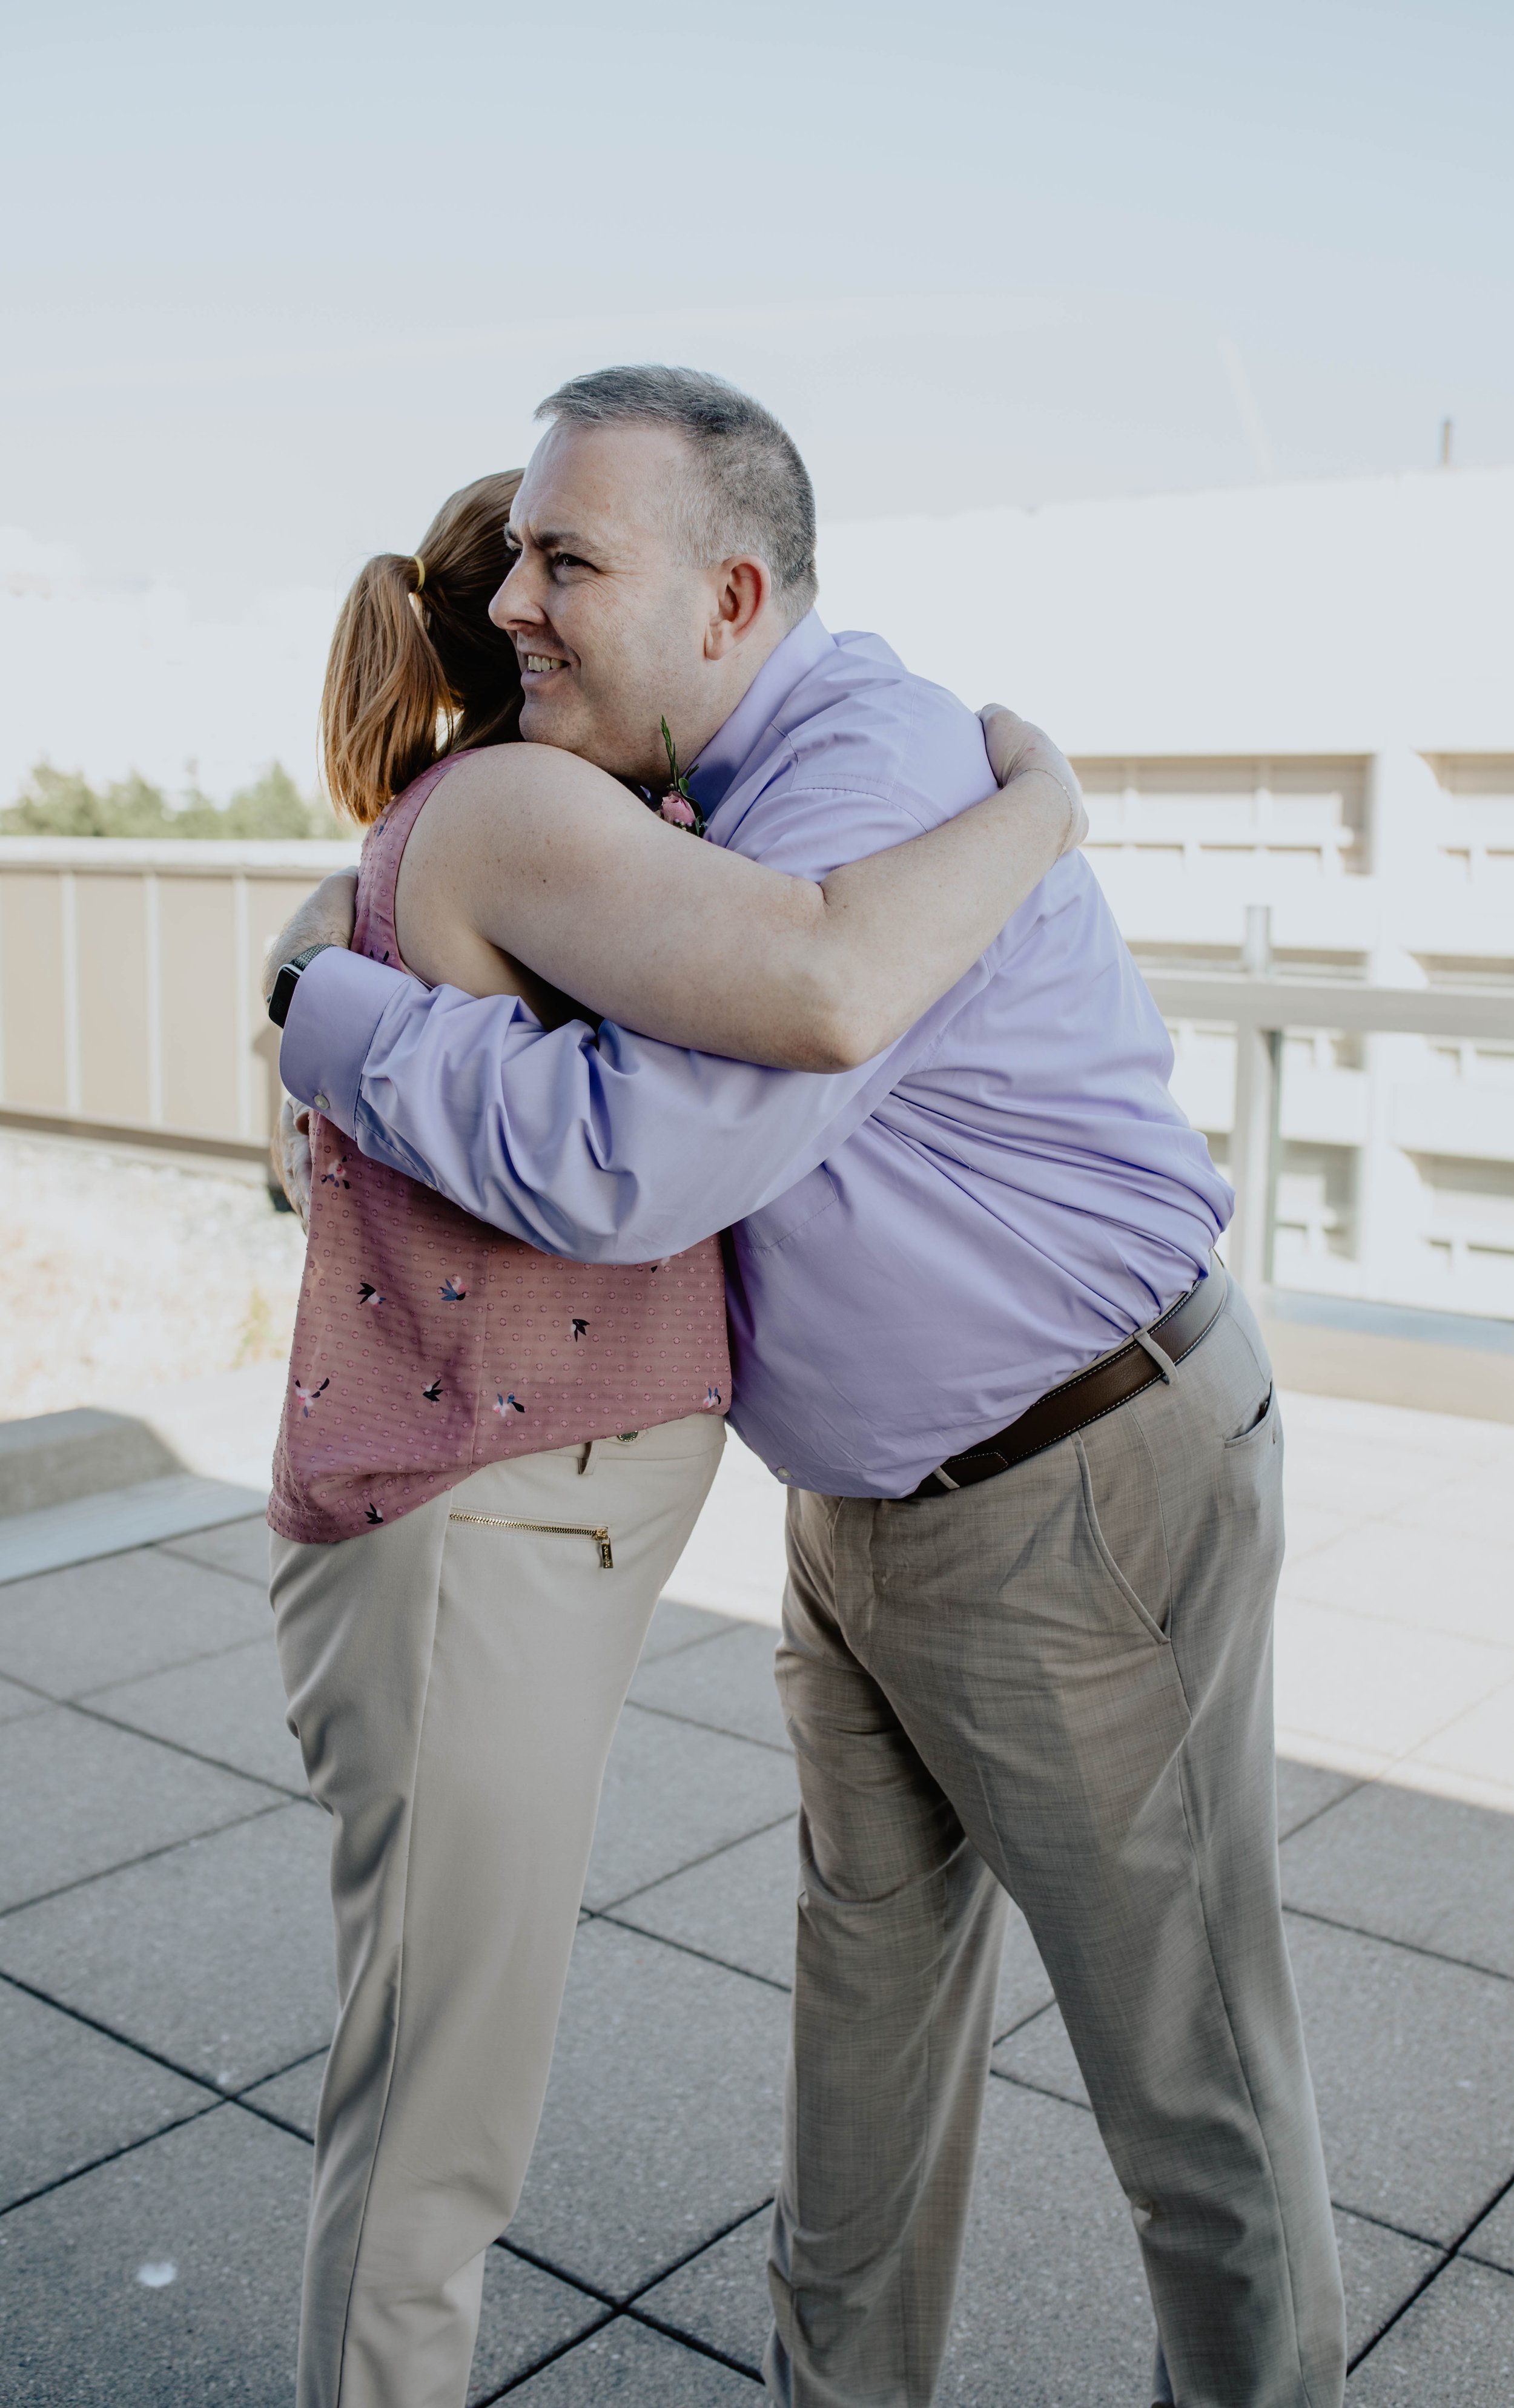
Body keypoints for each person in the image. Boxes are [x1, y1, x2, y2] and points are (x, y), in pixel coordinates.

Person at [271, 368, 1345, 2408]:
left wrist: (326, 1009)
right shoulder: (673, 803)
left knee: (1186, 2080)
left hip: (1078, 1483)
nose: (515, 601)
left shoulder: (861, 765)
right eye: (516, 565)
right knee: (860, 2076)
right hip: (867, 1516)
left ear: (733, 595)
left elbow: (648, 1147)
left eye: (568, 563)